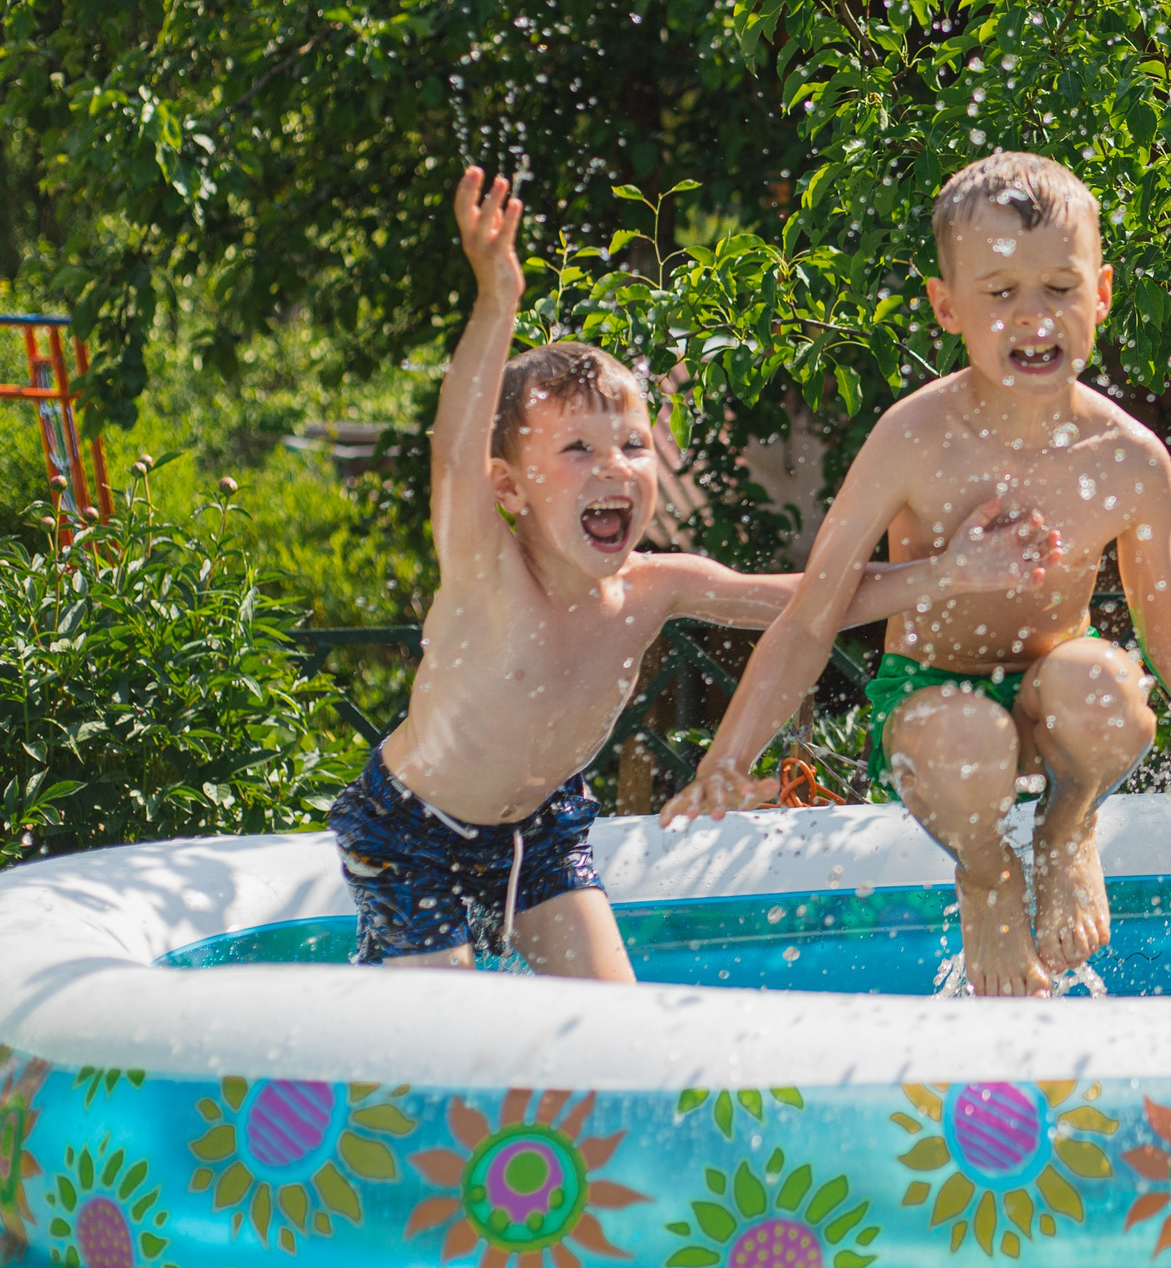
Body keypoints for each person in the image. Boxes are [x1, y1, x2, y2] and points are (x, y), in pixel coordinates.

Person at [659, 151, 1171, 996]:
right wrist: (729, 756)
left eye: (1059, 288)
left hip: (1056, 703)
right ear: (946, 307)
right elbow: (814, 615)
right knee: (969, 739)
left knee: (1107, 687)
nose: (1035, 317)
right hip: (930, 705)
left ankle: (1069, 823)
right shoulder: (916, 438)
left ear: (1099, 293)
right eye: (1000, 293)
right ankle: (987, 873)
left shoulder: (1128, 459)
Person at [328, 167, 1055, 982]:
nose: (615, 469)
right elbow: (452, 453)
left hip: (544, 830)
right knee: (444, 1043)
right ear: (510, 489)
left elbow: (809, 600)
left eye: (633, 447)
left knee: (615, 1033)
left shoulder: (653, 587)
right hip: (413, 832)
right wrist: (497, 300)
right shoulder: (488, 573)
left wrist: (947, 573)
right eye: (577, 451)